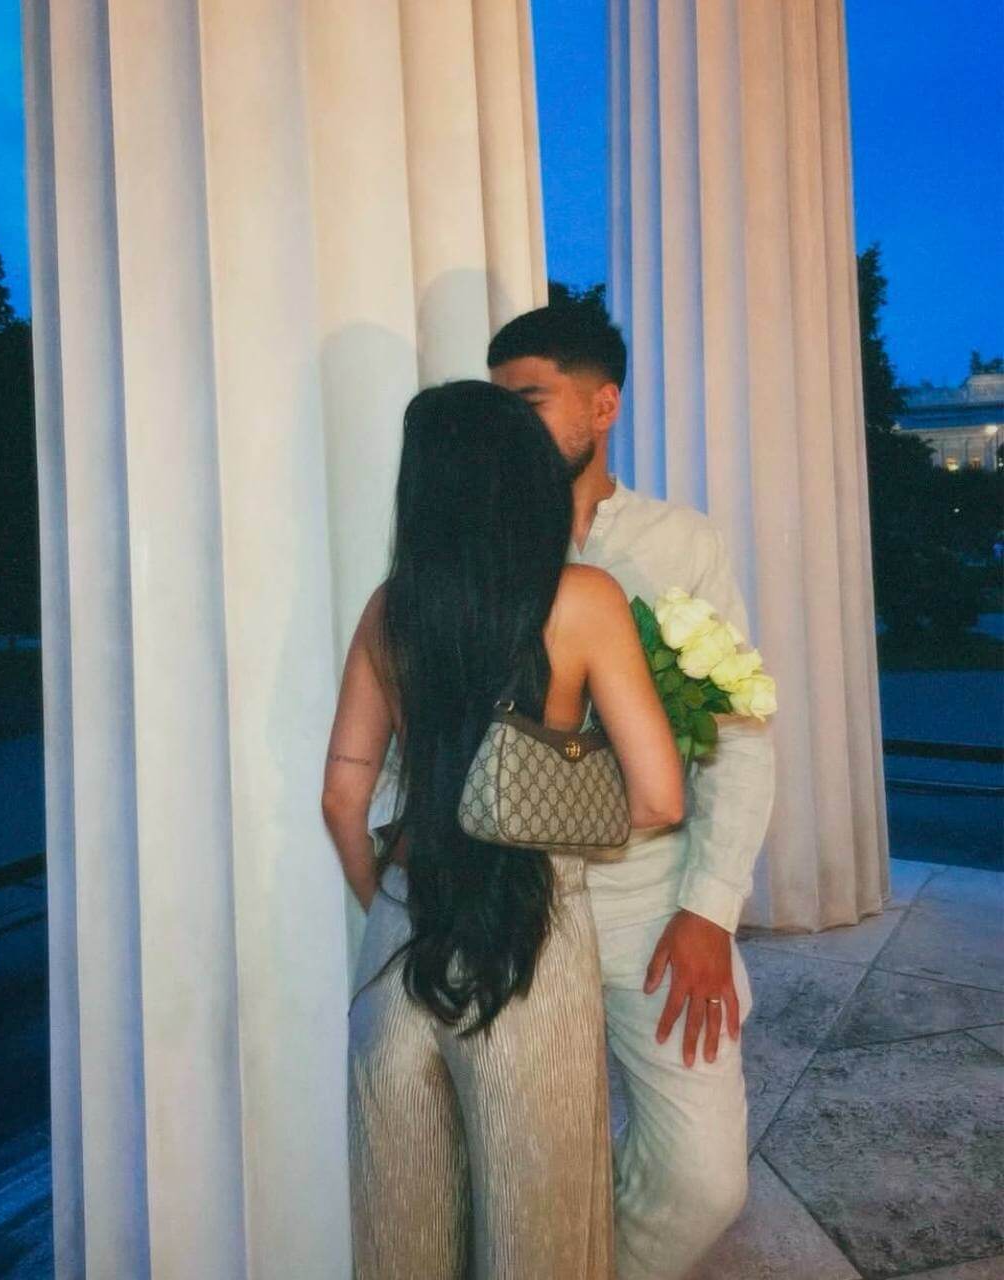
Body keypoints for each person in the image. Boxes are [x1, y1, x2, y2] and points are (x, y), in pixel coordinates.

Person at [321, 379, 685, 1279]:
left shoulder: (389, 609)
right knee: (538, 1239)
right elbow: (660, 799)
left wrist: (387, 901)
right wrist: (564, 832)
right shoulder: (584, 599)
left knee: (402, 1242)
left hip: (402, 938)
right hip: (531, 937)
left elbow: (341, 798)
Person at [488, 303, 777, 1280]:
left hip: (648, 900)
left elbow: (737, 735)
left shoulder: (677, 542)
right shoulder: (471, 541)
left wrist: (709, 908)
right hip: (511, 901)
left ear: (602, 405)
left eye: (531, 400)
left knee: (702, 1182)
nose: (509, 425)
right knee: (522, 1174)